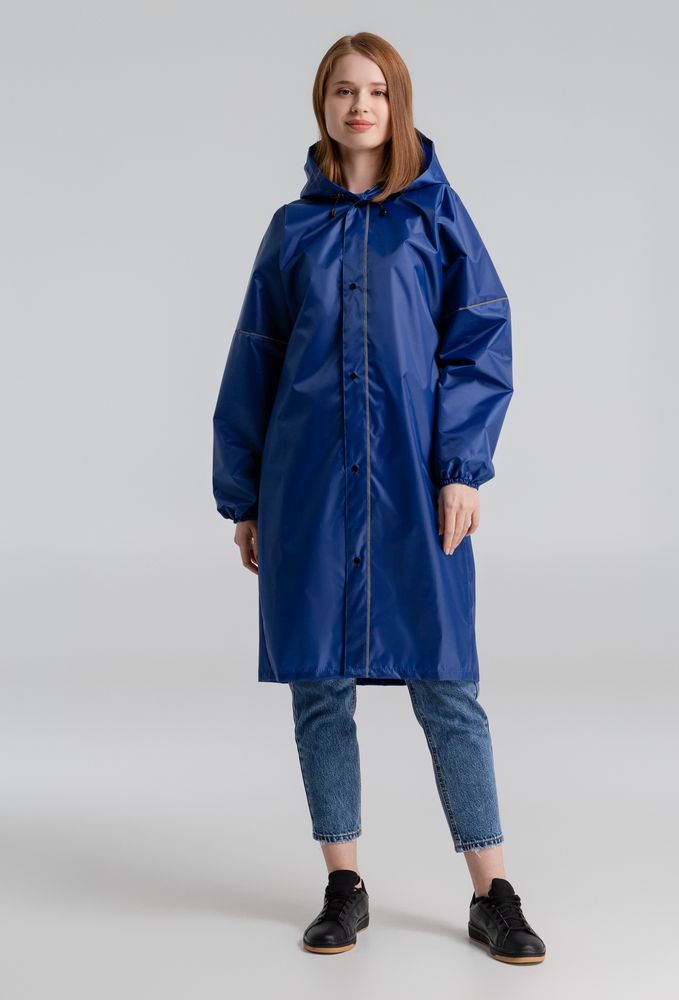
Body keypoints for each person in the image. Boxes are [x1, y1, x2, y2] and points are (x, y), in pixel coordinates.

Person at [212, 32, 546, 964]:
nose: (360, 106)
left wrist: (462, 467)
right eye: (342, 91)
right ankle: (343, 884)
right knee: (320, 688)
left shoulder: (436, 217)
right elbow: (254, 361)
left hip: (411, 486)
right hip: (309, 490)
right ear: (322, 105)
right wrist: (244, 495)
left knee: (448, 687)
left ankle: (493, 891)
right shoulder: (293, 230)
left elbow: (479, 339)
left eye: (376, 91)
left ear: (398, 105)